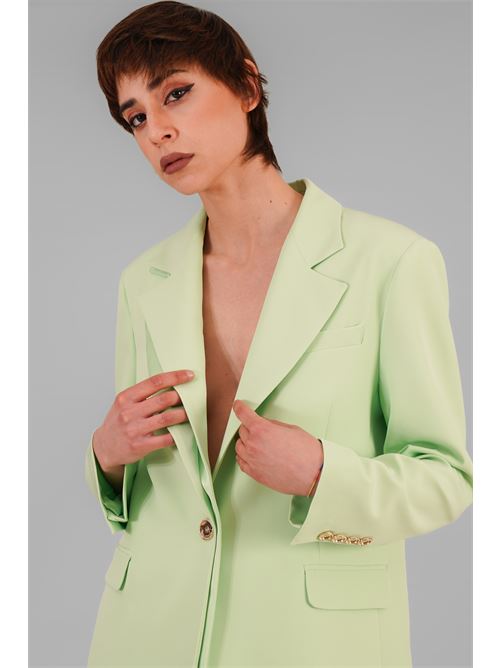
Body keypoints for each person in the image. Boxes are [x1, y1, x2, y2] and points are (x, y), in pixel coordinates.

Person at [84, 2, 473, 667]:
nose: (158, 131)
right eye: (136, 117)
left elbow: (445, 479)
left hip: (312, 641)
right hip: (149, 633)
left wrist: (323, 472)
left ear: (246, 85)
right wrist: (107, 453)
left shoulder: (390, 261)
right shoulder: (143, 280)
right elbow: (152, 496)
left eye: (175, 93)